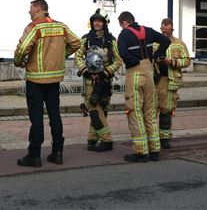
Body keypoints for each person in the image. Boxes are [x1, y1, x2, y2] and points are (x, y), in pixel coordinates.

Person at [13, 0, 80, 167]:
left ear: (37, 8)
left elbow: (22, 49)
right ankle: (57, 153)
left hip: (36, 79)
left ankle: (34, 155)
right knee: (54, 115)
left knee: (36, 118)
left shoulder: (34, 27)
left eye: (30, 8)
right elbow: (76, 42)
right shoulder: (61, 26)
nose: (29, 11)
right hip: (55, 79)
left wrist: (19, 62)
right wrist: (61, 55)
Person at [117, 11, 170, 163]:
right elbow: (165, 41)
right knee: (150, 111)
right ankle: (155, 150)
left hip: (134, 74)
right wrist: (155, 55)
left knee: (135, 111)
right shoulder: (148, 30)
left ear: (124, 22)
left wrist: (133, 61)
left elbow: (122, 53)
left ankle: (141, 151)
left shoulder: (124, 35)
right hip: (149, 73)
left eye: (121, 24)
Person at [75, 9, 122, 152]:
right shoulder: (85, 39)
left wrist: (106, 72)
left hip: (105, 81)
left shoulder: (111, 40)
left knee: (102, 109)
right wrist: (85, 71)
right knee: (94, 110)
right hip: (90, 81)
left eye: (100, 21)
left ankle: (92, 138)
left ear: (104, 23)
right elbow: (78, 57)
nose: (97, 23)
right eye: (95, 21)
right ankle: (106, 140)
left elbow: (119, 60)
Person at [154, 18, 191, 149]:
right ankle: (153, 137)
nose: (165, 34)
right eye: (163, 31)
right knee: (152, 110)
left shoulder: (179, 44)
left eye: (167, 32)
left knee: (167, 109)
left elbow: (187, 61)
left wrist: (173, 62)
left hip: (170, 81)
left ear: (172, 30)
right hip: (155, 81)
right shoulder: (154, 43)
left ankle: (165, 137)